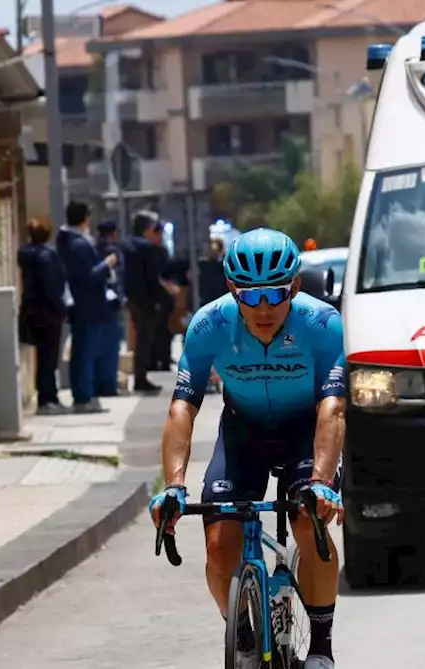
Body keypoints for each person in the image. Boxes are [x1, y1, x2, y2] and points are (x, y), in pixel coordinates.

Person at [149, 228, 346, 669]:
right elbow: (182, 407)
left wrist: (322, 481)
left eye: (275, 294)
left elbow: (333, 408)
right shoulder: (207, 325)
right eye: (250, 295)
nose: (263, 308)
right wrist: (174, 486)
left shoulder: (322, 323)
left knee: (309, 522)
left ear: (294, 286)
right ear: (231, 289)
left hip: (304, 431)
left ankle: (321, 647)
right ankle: (241, 633)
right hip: (244, 432)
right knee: (219, 544)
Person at [56, 201, 117, 414]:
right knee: (85, 353)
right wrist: (107, 264)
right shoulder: (78, 244)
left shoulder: (71, 241)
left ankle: (84, 395)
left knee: (83, 352)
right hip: (88, 306)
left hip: (83, 306)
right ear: (84, 218)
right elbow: (88, 276)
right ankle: (83, 396)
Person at [17, 216, 68, 415]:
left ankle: (47, 397)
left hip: (31, 310)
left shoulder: (25, 255)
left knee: (42, 356)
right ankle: (48, 398)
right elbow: (51, 286)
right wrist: (61, 307)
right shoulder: (47, 257)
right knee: (49, 357)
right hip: (48, 312)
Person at [122, 210, 167, 394]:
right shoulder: (150, 248)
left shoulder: (125, 245)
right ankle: (141, 378)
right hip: (147, 301)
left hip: (131, 297)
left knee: (139, 339)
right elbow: (153, 277)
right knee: (144, 339)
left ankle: (140, 376)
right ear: (147, 229)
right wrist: (158, 300)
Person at [95, 220, 125, 398]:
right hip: (111, 304)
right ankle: (108, 385)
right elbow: (116, 279)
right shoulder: (112, 252)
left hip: (97, 303)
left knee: (100, 346)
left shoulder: (93, 248)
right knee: (111, 346)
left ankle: (101, 383)